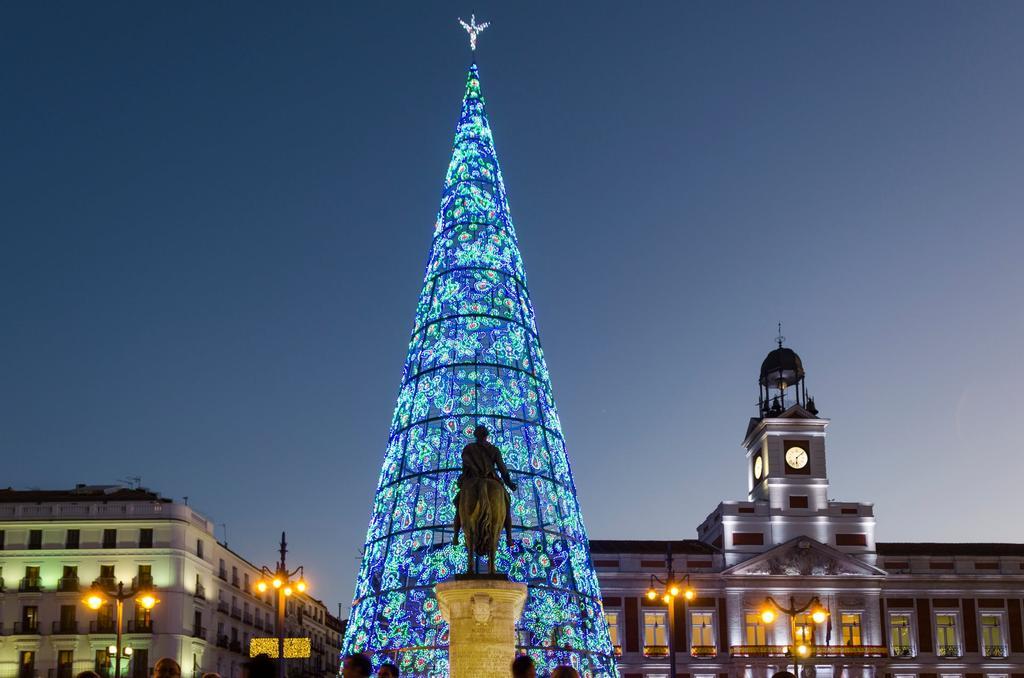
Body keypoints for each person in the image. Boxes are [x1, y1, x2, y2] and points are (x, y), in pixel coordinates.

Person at [452, 425, 517, 546]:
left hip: (473, 479)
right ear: (487, 436)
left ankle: (455, 535)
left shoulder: (468, 448)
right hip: (491, 478)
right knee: (507, 502)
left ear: (475, 435)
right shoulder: (494, 450)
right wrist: (509, 483)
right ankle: (509, 536)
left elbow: (466, 463)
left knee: (459, 503)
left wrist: (473, 471)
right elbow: (503, 469)